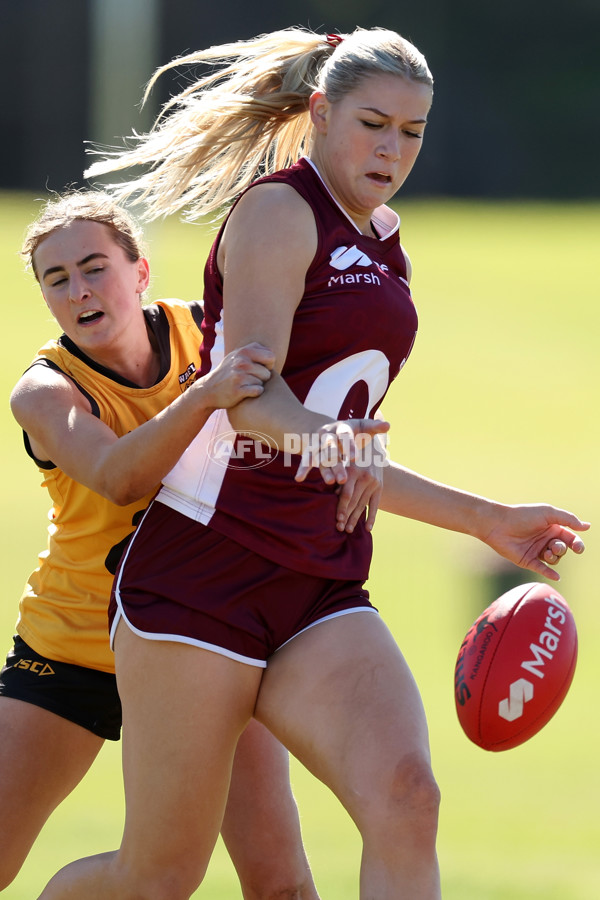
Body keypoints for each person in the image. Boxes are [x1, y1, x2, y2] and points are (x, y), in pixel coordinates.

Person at [39, 26, 589, 899]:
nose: (392, 148)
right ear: (321, 113)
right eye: (373, 123)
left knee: (407, 799)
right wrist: (330, 443)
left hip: (319, 581)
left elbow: (351, 455)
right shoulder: (277, 212)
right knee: (157, 877)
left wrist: (489, 520)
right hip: (203, 576)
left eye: (412, 132)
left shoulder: (383, 240)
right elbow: (250, 394)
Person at [2, 190, 322, 899]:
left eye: (94, 267)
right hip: (76, 646)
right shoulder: (44, 392)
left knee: (281, 882)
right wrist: (204, 395)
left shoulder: (208, 333)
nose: (80, 289)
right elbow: (118, 478)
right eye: (58, 279)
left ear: (140, 272)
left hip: (203, 640)